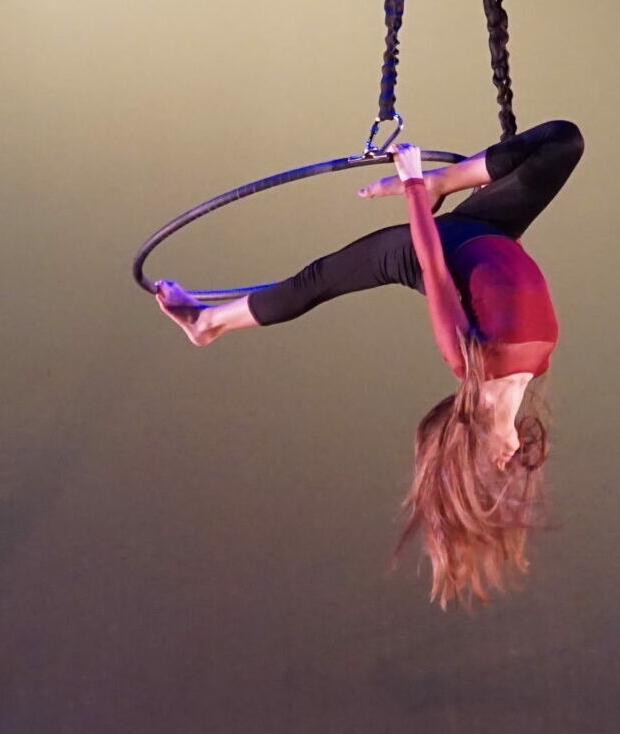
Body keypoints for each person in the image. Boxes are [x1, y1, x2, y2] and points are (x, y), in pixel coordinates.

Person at [154, 120, 584, 606]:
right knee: (563, 142)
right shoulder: (538, 366)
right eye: (504, 469)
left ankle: (207, 322)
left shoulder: (470, 359)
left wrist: (416, 185)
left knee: (318, 280)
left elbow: (435, 270)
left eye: (488, 466)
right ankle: (452, 182)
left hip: (425, 248)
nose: (505, 462)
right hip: (493, 230)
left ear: (468, 440)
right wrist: (443, 182)